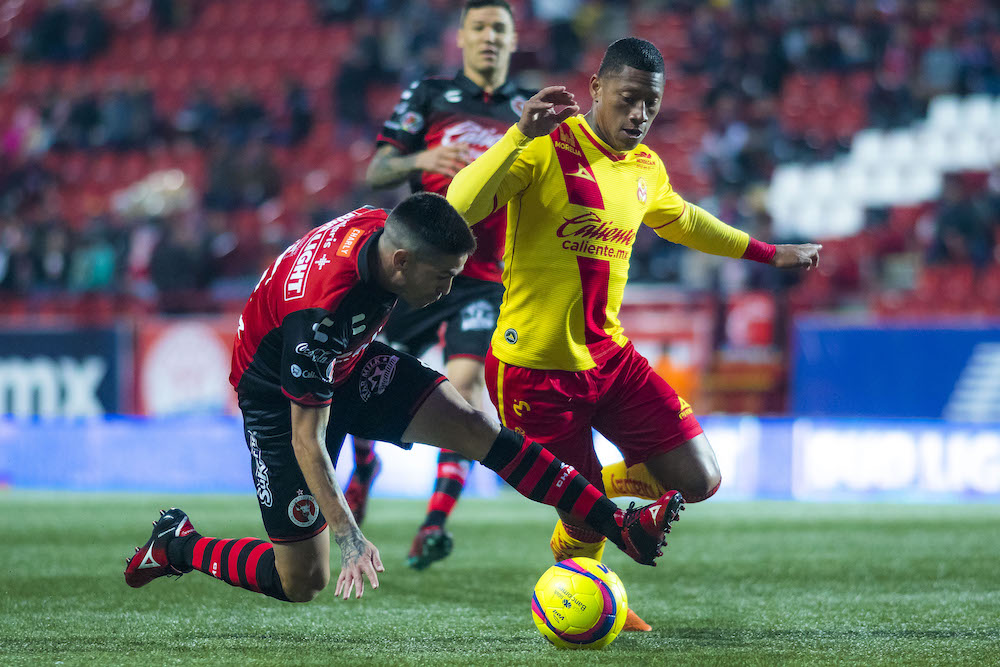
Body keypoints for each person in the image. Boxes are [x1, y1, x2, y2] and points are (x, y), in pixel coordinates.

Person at [123, 193, 684, 603]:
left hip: (350, 362)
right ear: (401, 263)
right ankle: (178, 543)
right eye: (443, 277)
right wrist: (349, 537)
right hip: (279, 399)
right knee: (301, 581)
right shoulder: (321, 317)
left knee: (474, 429)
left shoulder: (384, 229)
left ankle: (621, 525)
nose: (447, 291)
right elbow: (306, 438)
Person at [446, 38, 821, 630]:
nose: (639, 116)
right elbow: (459, 204)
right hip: (532, 368)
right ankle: (594, 592)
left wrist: (769, 254)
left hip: (610, 360)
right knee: (588, 515)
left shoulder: (647, 168)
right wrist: (517, 134)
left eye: (651, 104)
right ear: (596, 89)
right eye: (628, 100)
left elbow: (686, 220)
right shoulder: (545, 149)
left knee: (701, 479)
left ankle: (593, 490)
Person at [345, 0, 536, 572]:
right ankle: (364, 466)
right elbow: (376, 169)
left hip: (480, 279)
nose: (488, 37)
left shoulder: (528, 108)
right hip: (414, 269)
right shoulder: (429, 95)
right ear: (461, 37)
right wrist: (425, 156)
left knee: (464, 387)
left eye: (498, 28)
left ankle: (434, 523)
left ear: (512, 38)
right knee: (362, 373)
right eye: (478, 27)